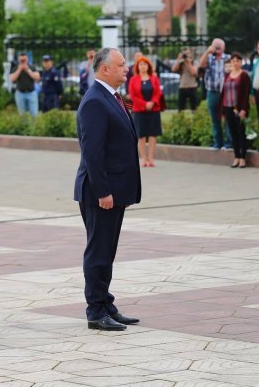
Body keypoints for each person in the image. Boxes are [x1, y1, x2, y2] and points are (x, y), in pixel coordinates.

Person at [74, 47, 141, 331]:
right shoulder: (94, 102)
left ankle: (106, 302)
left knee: (107, 250)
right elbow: (92, 152)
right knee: (98, 251)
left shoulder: (110, 97)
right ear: (105, 69)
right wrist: (103, 191)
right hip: (100, 193)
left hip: (115, 190)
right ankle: (95, 310)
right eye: (122, 64)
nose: (127, 68)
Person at [128, 56, 162, 168]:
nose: (143, 66)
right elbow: (133, 96)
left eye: (145, 64)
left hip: (154, 109)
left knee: (152, 135)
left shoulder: (154, 78)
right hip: (139, 111)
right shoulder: (133, 80)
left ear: (148, 66)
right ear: (137, 67)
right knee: (141, 136)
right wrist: (144, 104)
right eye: (141, 64)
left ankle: (151, 158)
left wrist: (152, 102)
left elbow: (158, 93)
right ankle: (143, 159)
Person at [198, 38, 232, 150]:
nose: (217, 48)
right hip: (212, 91)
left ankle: (229, 142)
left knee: (228, 117)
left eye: (219, 46)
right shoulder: (209, 58)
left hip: (226, 92)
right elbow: (200, 66)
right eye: (215, 46)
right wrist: (208, 52)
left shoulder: (228, 58)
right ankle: (218, 142)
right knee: (214, 118)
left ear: (224, 47)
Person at [220, 52, 251, 168]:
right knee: (232, 133)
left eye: (237, 61)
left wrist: (243, 109)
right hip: (228, 107)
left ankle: (243, 157)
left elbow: (246, 94)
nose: (235, 63)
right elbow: (223, 93)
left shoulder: (244, 75)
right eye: (233, 61)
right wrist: (222, 110)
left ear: (241, 62)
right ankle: (236, 156)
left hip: (238, 109)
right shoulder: (227, 76)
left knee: (240, 132)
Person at [10, 52, 41, 116]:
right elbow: (12, 79)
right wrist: (19, 69)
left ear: (27, 59)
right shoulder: (15, 68)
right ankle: (23, 126)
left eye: (24, 60)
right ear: (18, 59)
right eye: (22, 60)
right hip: (20, 93)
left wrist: (28, 70)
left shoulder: (32, 67)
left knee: (34, 114)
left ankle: (34, 126)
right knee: (22, 115)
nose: (23, 61)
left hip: (31, 93)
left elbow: (37, 78)